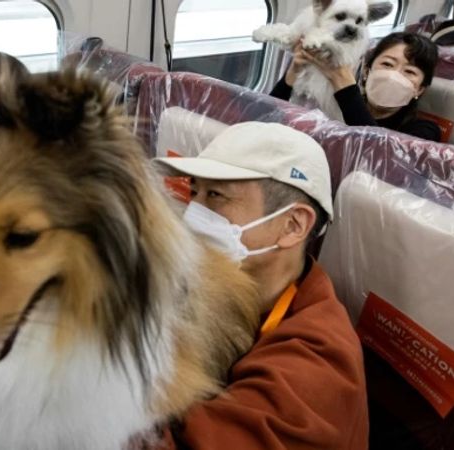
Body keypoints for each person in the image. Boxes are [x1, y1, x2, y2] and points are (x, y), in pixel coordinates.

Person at [153, 122, 368, 449]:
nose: (194, 213)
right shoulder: (211, 292)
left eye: (215, 195)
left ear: (293, 225)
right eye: (194, 192)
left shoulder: (318, 361)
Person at [270, 32, 442, 141]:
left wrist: (341, 79)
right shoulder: (334, 104)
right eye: (387, 64)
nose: (394, 76)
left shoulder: (424, 131)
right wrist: (294, 72)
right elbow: (267, 116)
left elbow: (378, 154)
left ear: (419, 89)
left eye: (409, 72)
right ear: (367, 71)